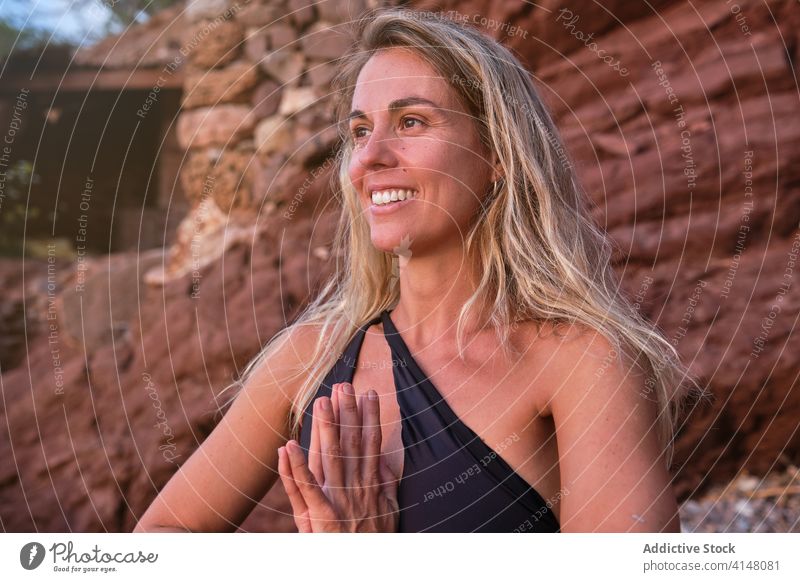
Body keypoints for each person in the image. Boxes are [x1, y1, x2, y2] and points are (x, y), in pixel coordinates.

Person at [134, 7, 704, 534]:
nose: (371, 156)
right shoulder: (310, 358)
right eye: (360, 131)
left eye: (410, 122)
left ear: (498, 157)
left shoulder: (581, 362)